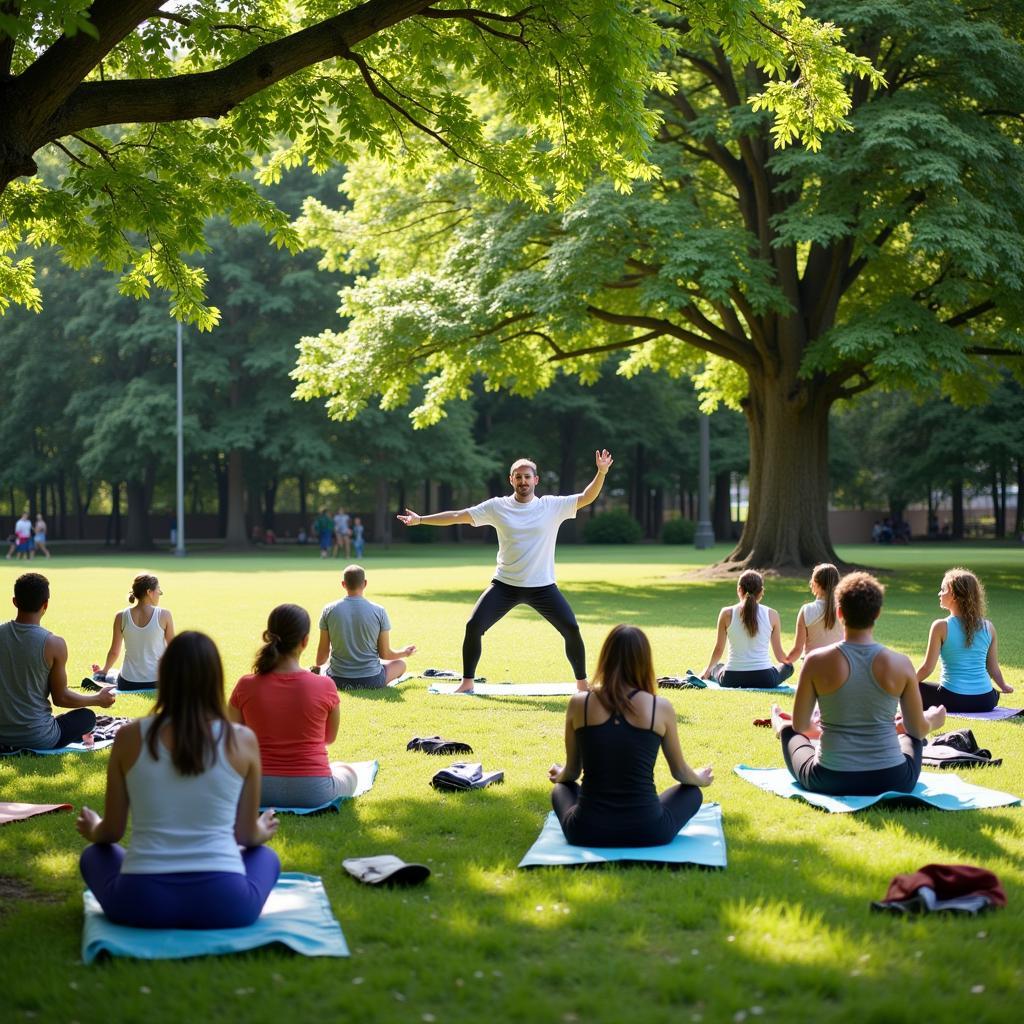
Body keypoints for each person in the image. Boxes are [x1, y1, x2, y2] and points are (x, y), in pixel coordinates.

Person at [76, 631, 280, 929]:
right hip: (225, 904)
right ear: (215, 679)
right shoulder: (243, 740)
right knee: (265, 857)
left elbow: (112, 832)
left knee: (95, 854)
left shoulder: (129, 737)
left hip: (141, 902)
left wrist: (94, 827)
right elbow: (246, 838)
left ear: (166, 677)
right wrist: (260, 830)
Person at [397, 450, 614, 693]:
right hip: (505, 585)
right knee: (474, 626)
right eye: (518, 477)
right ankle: (467, 683)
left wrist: (601, 472)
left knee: (571, 628)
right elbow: (458, 516)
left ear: (536, 480)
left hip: (542, 586)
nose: (523, 481)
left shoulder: (551, 506)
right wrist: (421, 519)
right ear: (511, 480)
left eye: (527, 477)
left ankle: (582, 684)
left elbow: (586, 497)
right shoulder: (497, 507)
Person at [772, 571, 946, 796]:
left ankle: (779, 728)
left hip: (829, 778)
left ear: (839, 612)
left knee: (788, 731)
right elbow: (917, 729)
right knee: (911, 734)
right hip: (893, 778)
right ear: (878, 613)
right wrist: (932, 719)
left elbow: (800, 725)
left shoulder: (815, 661)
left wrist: (799, 726)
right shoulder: (901, 663)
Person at [548, 625, 713, 847]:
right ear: (644, 661)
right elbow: (680, 773)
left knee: (562, 788)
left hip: (586, 831)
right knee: (692, 793)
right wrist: (699, 778)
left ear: (606, 657)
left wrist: (560, 775)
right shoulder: (660, 707)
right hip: (649, 831)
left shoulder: (579, 703)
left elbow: (572, 772)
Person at [229, 604, 357, 808]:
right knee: (347, 771)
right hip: (315, 791)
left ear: (269, 637)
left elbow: (233, 739)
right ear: (305, 641)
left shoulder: (246, 685)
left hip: (257, 791)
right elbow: (329, 738)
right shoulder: (324, 685)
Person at [0, 573, 115, 751]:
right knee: (87, 718)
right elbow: (61, 698)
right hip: (39, 737)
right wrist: (97, 699)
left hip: (2, 734)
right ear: (45, 604)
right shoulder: (54, 644)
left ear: (14, 602)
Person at [916, 568, 1013, 713]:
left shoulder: (941, 626)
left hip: (952, 699)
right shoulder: (989, 627)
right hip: (986, 700)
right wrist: (1003, 686)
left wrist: (906, 683)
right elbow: (992, 668)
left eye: (943, 590)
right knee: (993, 692)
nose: (939, 593)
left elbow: (927, 668)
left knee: (915, 688)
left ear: (954, 595)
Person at [314, 565, 416, 689]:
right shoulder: (379, 611)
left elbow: (320, 659)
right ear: (365, 583)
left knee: (324, 666)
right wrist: (404, 652)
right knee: (401, 664)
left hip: (336, 680)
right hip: (372, 680)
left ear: (343, 584)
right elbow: (385, 654)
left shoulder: (328, 610)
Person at [700, 570, 793, 688]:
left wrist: (708, 670)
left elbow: (719, 649)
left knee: (717, 667)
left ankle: (711, 671)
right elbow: (779, 655)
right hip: (765, 678)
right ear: (761, 592)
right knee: (788, 666)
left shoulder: (726, 613)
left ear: (739, 589)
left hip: (731, 678)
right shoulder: (772, 615)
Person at [94, 573, 175, 691]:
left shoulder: (121, 616)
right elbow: (174, 649)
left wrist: (103, 672)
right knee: (114, 673)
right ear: (149, 592)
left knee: (112, 673)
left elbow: (114, 652)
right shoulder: (164, 615)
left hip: (128, 682)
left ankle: (108, 674)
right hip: (158, 682)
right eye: (158, 590)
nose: (159, 594)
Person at [785, 563, 842, 662]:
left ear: (815, 583)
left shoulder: (807, 610)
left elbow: (797, 650)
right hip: (839, 666)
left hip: (811, 667)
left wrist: (783, 664)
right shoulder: (846, 609)